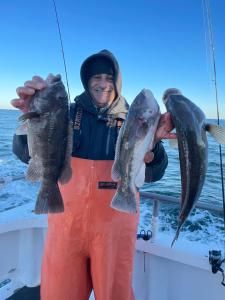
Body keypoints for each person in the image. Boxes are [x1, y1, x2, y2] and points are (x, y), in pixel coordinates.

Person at [11, 49, 174, 300]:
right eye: (96, 77)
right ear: (87, 80)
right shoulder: (65, 111)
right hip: (65, 226)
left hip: (114, 230)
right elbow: (26, 153)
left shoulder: (135, 119)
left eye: (109, 78)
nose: (102, 83)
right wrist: (30, 119)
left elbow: (153, 173)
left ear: (117, 82)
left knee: (114, 294)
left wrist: (154, 147)